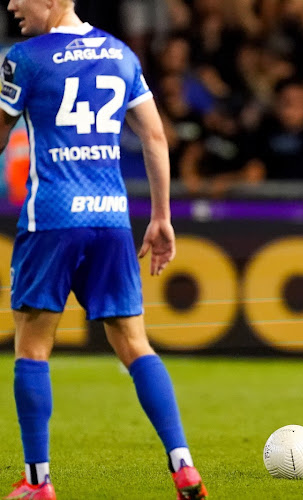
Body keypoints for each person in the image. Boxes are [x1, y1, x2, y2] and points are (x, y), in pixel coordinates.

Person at [0, 1, 207, 498]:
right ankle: (183, 467)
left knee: (31, 346)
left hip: (51, 217)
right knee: (135, 345)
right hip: (111, 216)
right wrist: (161, 217)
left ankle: (38, 482)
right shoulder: (121, 54)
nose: (11, 5)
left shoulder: (23, 58)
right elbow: (155, 135)